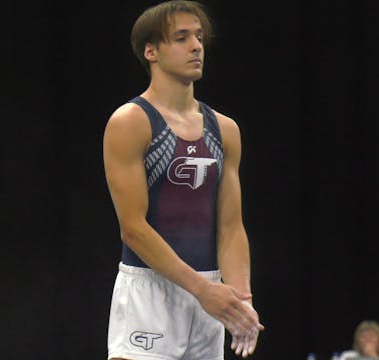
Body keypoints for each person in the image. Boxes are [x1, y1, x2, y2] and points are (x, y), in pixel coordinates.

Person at [102, 1, 264, 359]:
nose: (196, 46)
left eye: (199, 37)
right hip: (151, 290)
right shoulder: (131, 122)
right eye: (181, 37)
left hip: (210, 294)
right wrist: (201, 290)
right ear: (151, 51)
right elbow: (133, 228)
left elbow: (231, 227)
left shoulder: (225, 130)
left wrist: (240, 298)